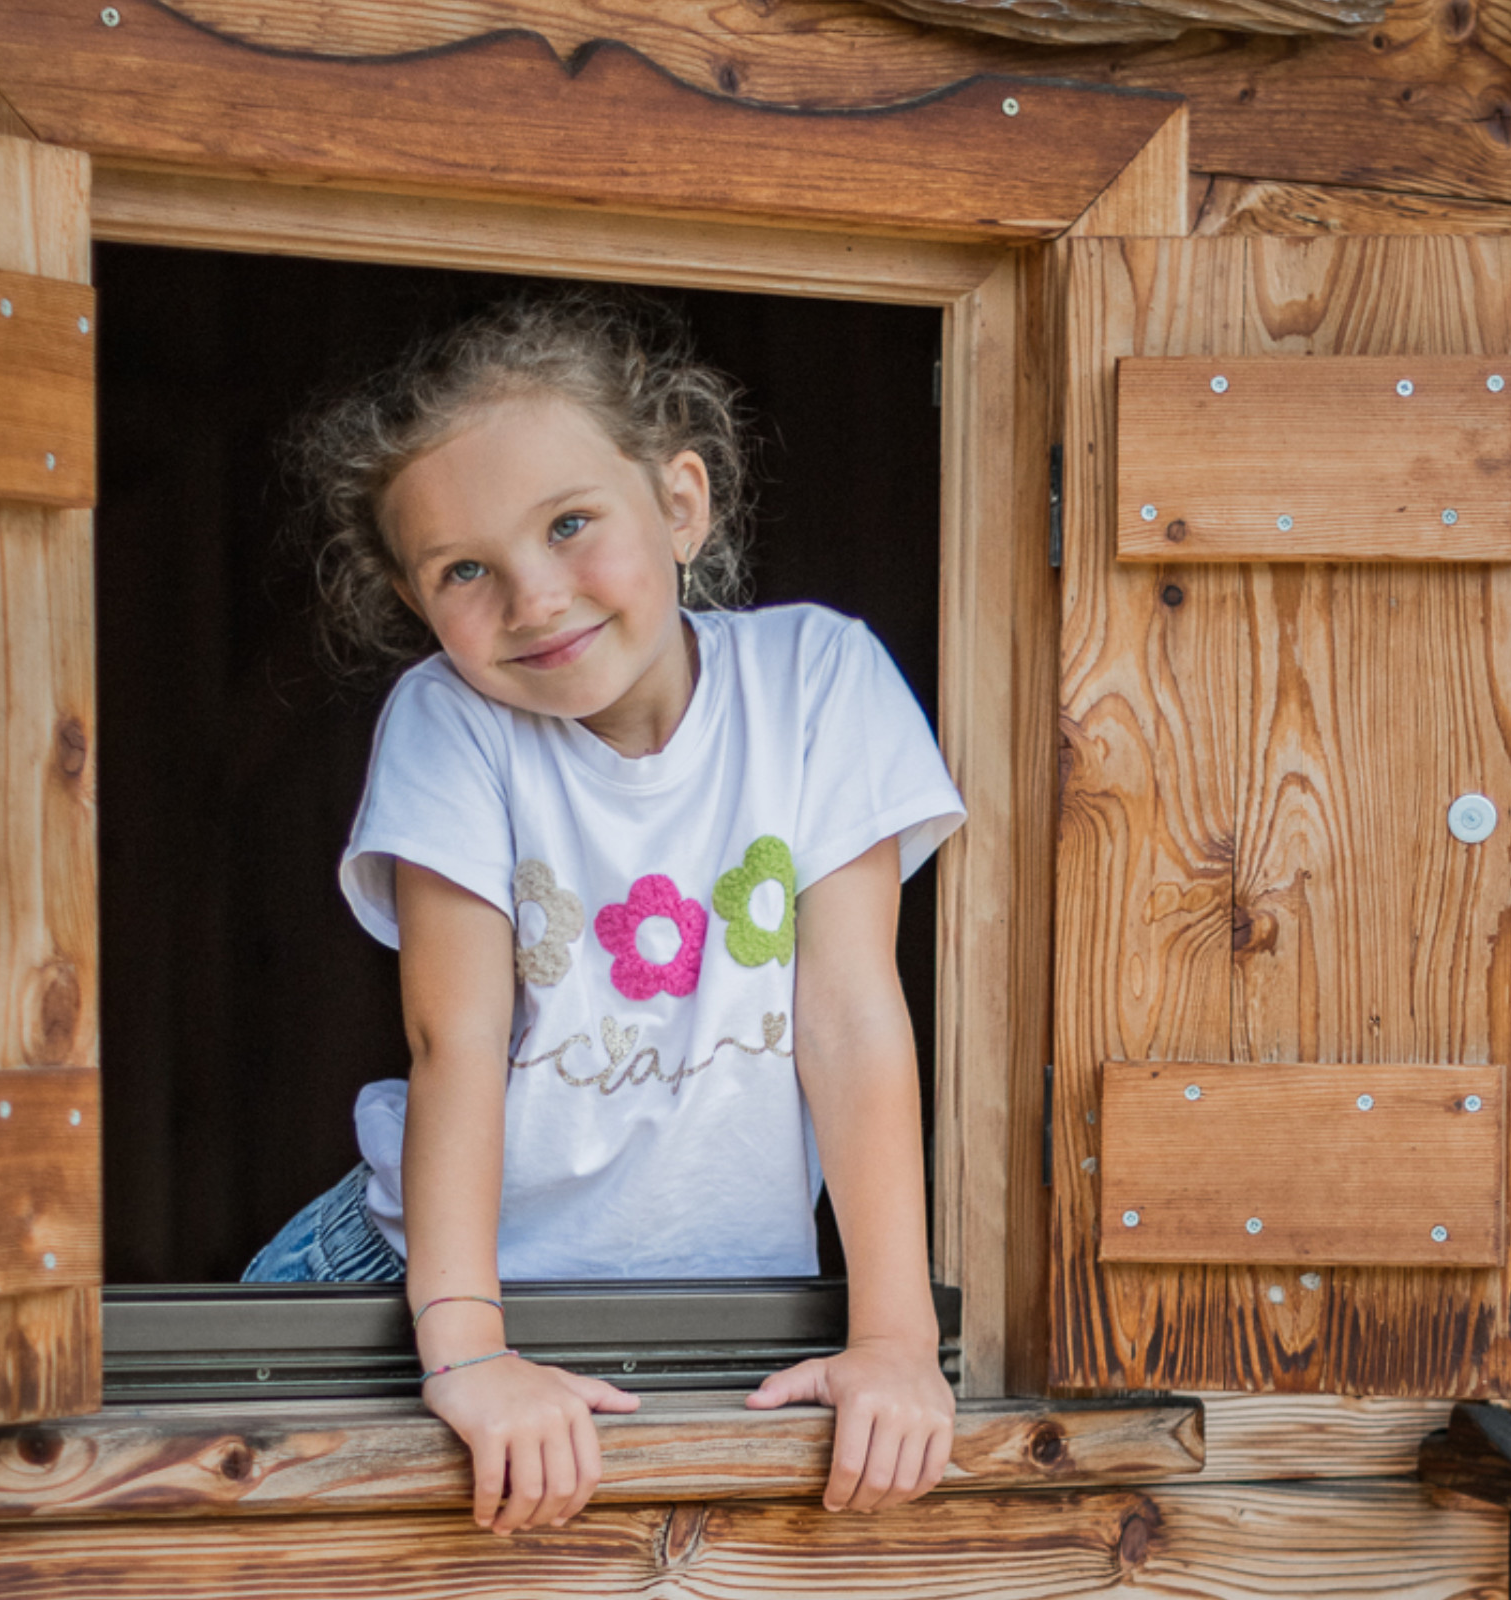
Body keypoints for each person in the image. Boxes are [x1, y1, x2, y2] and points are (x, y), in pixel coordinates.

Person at [243, 292, 967, 1534]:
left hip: (724, 1309)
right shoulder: (449, 720)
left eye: (570, 523)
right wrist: (468, 1353)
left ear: (681, 503)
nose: (533, 598)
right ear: (420, 605)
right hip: (426, 1285)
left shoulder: (818, 680)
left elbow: (848, 1016)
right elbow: (453, 1042)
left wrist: (895, 1337)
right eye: (466, 569)